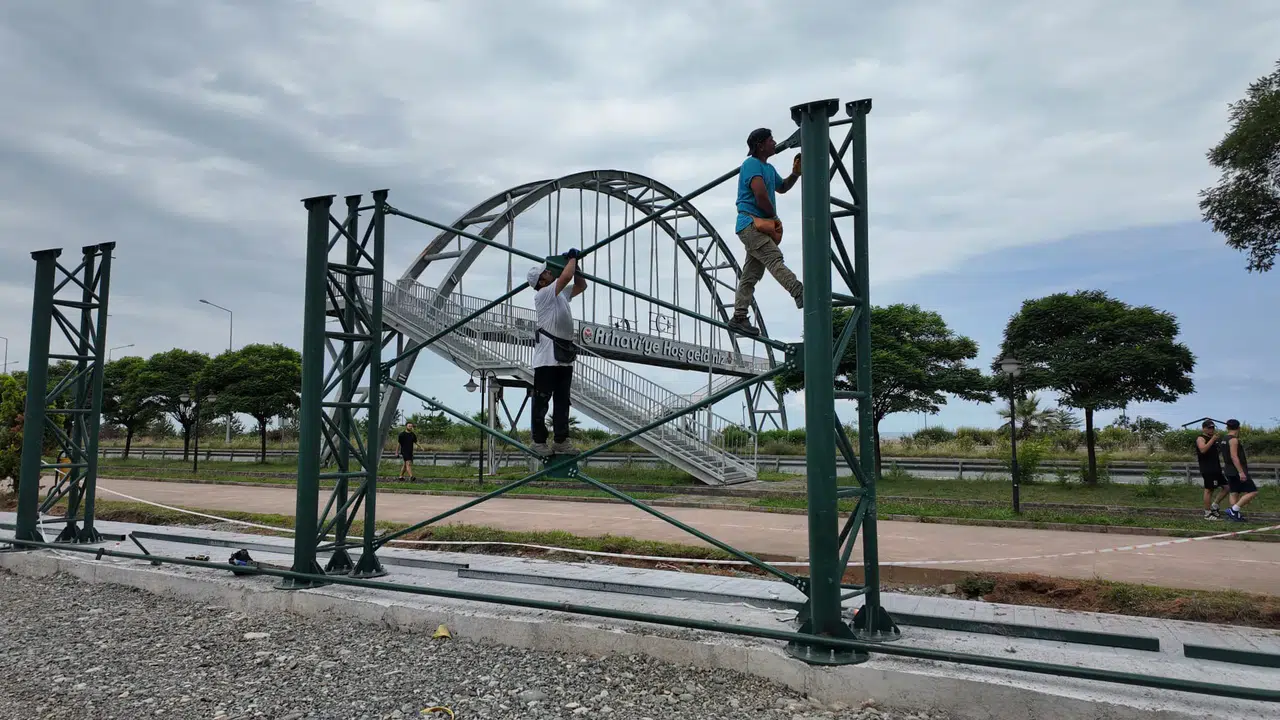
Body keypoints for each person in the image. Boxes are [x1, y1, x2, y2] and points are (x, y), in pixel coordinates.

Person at [728, 127, 804, 337]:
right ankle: (798, 291)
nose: (774, 143)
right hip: (750, 225)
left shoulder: (767, 168)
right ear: (760, 144)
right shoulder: (751, 164)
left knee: (751, 274)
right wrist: (774, 219)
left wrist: (795, 174)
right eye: (771, 140)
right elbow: (760, 195)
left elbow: (783, 187)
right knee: (773, 258)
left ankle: (739, 317)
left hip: (754, 227)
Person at [527, 249, 587, 456]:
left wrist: (576, 266)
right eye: (546, 273)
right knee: (542, 400)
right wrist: (572, 259)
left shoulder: (560, 294)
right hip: (547, 358)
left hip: (563, 356)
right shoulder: (544, 294)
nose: (550, 272)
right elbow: (566, 276)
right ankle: (538, 441)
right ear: (541, 282)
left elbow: (581, 285)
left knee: (562, 400)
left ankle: (561, 440)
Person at [1220, 419, 1259, 522]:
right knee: (1253, 491)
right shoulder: (1233, 440)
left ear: (1227, 427)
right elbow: (1234, 456)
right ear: (1238, 428)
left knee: (1234, 492)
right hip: (1236, 469)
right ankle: (1234, 510)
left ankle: (1234, 516)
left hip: (1228, 469)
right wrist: (1241, 472)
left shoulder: (1224, 438)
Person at [1195, 420, 1229, 520]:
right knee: (1209, 489)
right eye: (1209, 428)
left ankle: (1214, 505)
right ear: (1204, 428)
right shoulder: (1201, 438)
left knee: (1227, 487)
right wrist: (1212, 440)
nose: (1211, 429)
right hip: (1207, 468)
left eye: (1213, 427)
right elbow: (1203, 449)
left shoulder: (1214, 439)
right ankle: (1207, 513)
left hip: (1216, 467)